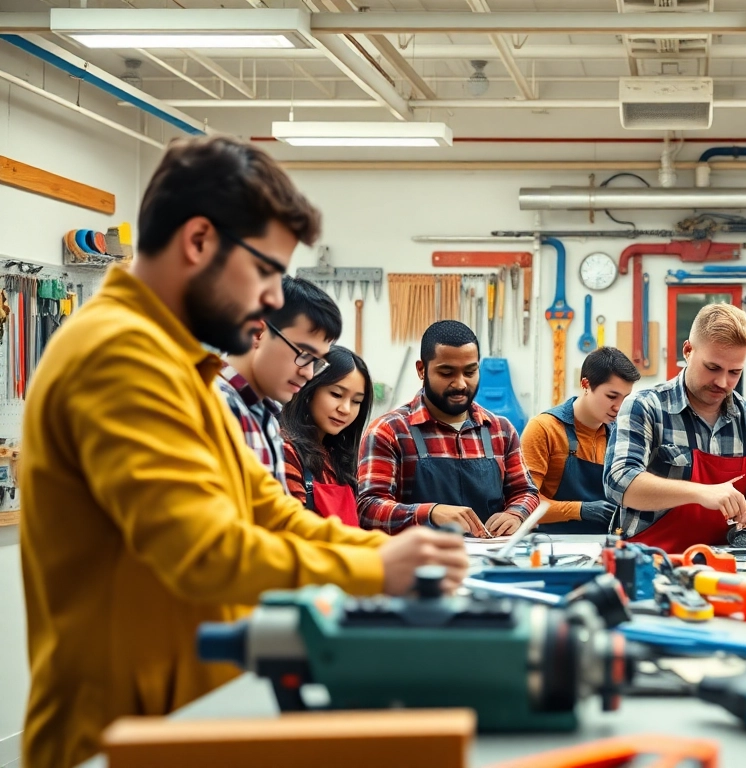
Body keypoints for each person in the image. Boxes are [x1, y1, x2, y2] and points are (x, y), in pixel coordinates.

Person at [18, 136, 467, 768]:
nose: (270, 300)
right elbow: (203, 551)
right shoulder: (119, 355)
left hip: (181, 719)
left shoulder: (181, 367)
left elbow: (267, 511)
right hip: (115, 737)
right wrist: (377, 572)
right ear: (198, 240)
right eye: (265, 272)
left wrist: (394, 550)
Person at [605, 303, 746, 551]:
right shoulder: (645, 407)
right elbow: (619, 481)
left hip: (727, 562)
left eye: (735, 372)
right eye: (713, 368)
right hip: (649, 559)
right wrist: (700, 493)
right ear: (687, 350)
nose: (722, 381)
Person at [359, 320, 539, 536]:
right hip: (418, 564)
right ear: (421, 370)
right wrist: (430, 513)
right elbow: (368, 508)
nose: (461, 383)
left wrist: (516, 514)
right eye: (447, 373)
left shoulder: (500, 430)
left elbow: (526, 492)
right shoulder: (389, 431)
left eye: (470, 372)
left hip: (490, 563)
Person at [217, 274, 340, 486]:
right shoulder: (214, 405)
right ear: (257, 333)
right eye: (304, 355)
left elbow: (269, 509)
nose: (308, 373)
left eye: (317, 362)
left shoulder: (268, 417)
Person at [521, 347, 640, 534]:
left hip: (604, 545)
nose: (619, 407)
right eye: (611, 396)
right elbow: (523, 503)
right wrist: (580, 510)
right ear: (585, 384)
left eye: (625, 398)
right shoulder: (544, 429)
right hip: (550, 545)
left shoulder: (620, 435)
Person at [280, 346, 372, 526]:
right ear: (309, 390)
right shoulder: (286, 452)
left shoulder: (337, 459)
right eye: (336, 394)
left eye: (356, 401)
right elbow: (297, 530)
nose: (345, 409)